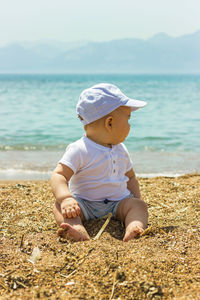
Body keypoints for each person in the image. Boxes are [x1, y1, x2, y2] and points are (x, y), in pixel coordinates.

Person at [51, 83, 148, 242]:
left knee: (139, 207)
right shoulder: (80, 149)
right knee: (59, 206)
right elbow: (59, 175)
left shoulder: (121, 149)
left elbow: (131, 178)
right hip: (83, 203)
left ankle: (133, 227)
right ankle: (76, 229)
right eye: (128, 119)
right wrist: (66, 198)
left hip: (118, 203)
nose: (130, 125)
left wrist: (136, 199)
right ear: (109, 123)